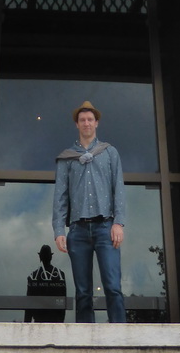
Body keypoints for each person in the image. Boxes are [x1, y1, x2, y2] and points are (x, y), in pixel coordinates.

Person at [52, 100, 126, 323]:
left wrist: (118, 222)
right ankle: (84, 340)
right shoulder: (67, 158)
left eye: (90, 119)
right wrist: (58, 229)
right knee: (83, 291)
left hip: (106, 227)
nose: (86, 123)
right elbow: (60, 196)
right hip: (78, 230)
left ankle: (121, 336)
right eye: (82, 120)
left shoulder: (110, 153)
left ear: (97, 123)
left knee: (113, 286)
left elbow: (118, 189)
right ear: (77, 124)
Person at [24, 244, 66, 323]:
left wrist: (27, 324)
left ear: (40, 257)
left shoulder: (33, 276)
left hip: (41, 319)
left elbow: (29, 304)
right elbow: (63, 301)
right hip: (54, 319)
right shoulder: (60, 275)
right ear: (51, 257)